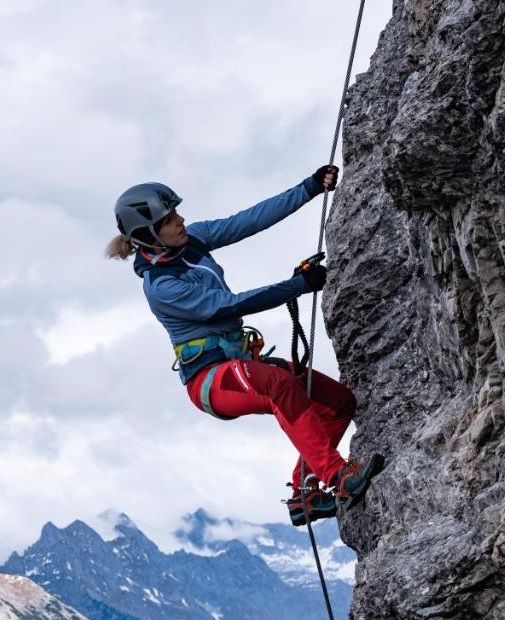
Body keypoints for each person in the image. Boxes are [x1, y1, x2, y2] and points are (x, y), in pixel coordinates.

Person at [107, 166, 383, 525]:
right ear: (148, 236)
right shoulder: (161, 286)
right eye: (169, 218)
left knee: (338, 402)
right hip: (209, 378)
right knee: (279, 385)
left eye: (175, 212)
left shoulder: (192, 240)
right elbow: (229, 306)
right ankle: (339, 477)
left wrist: (309, 188)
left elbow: (247, 222)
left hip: (238, 362)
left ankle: (306, 491)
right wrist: (296, 285)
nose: (180, 220)